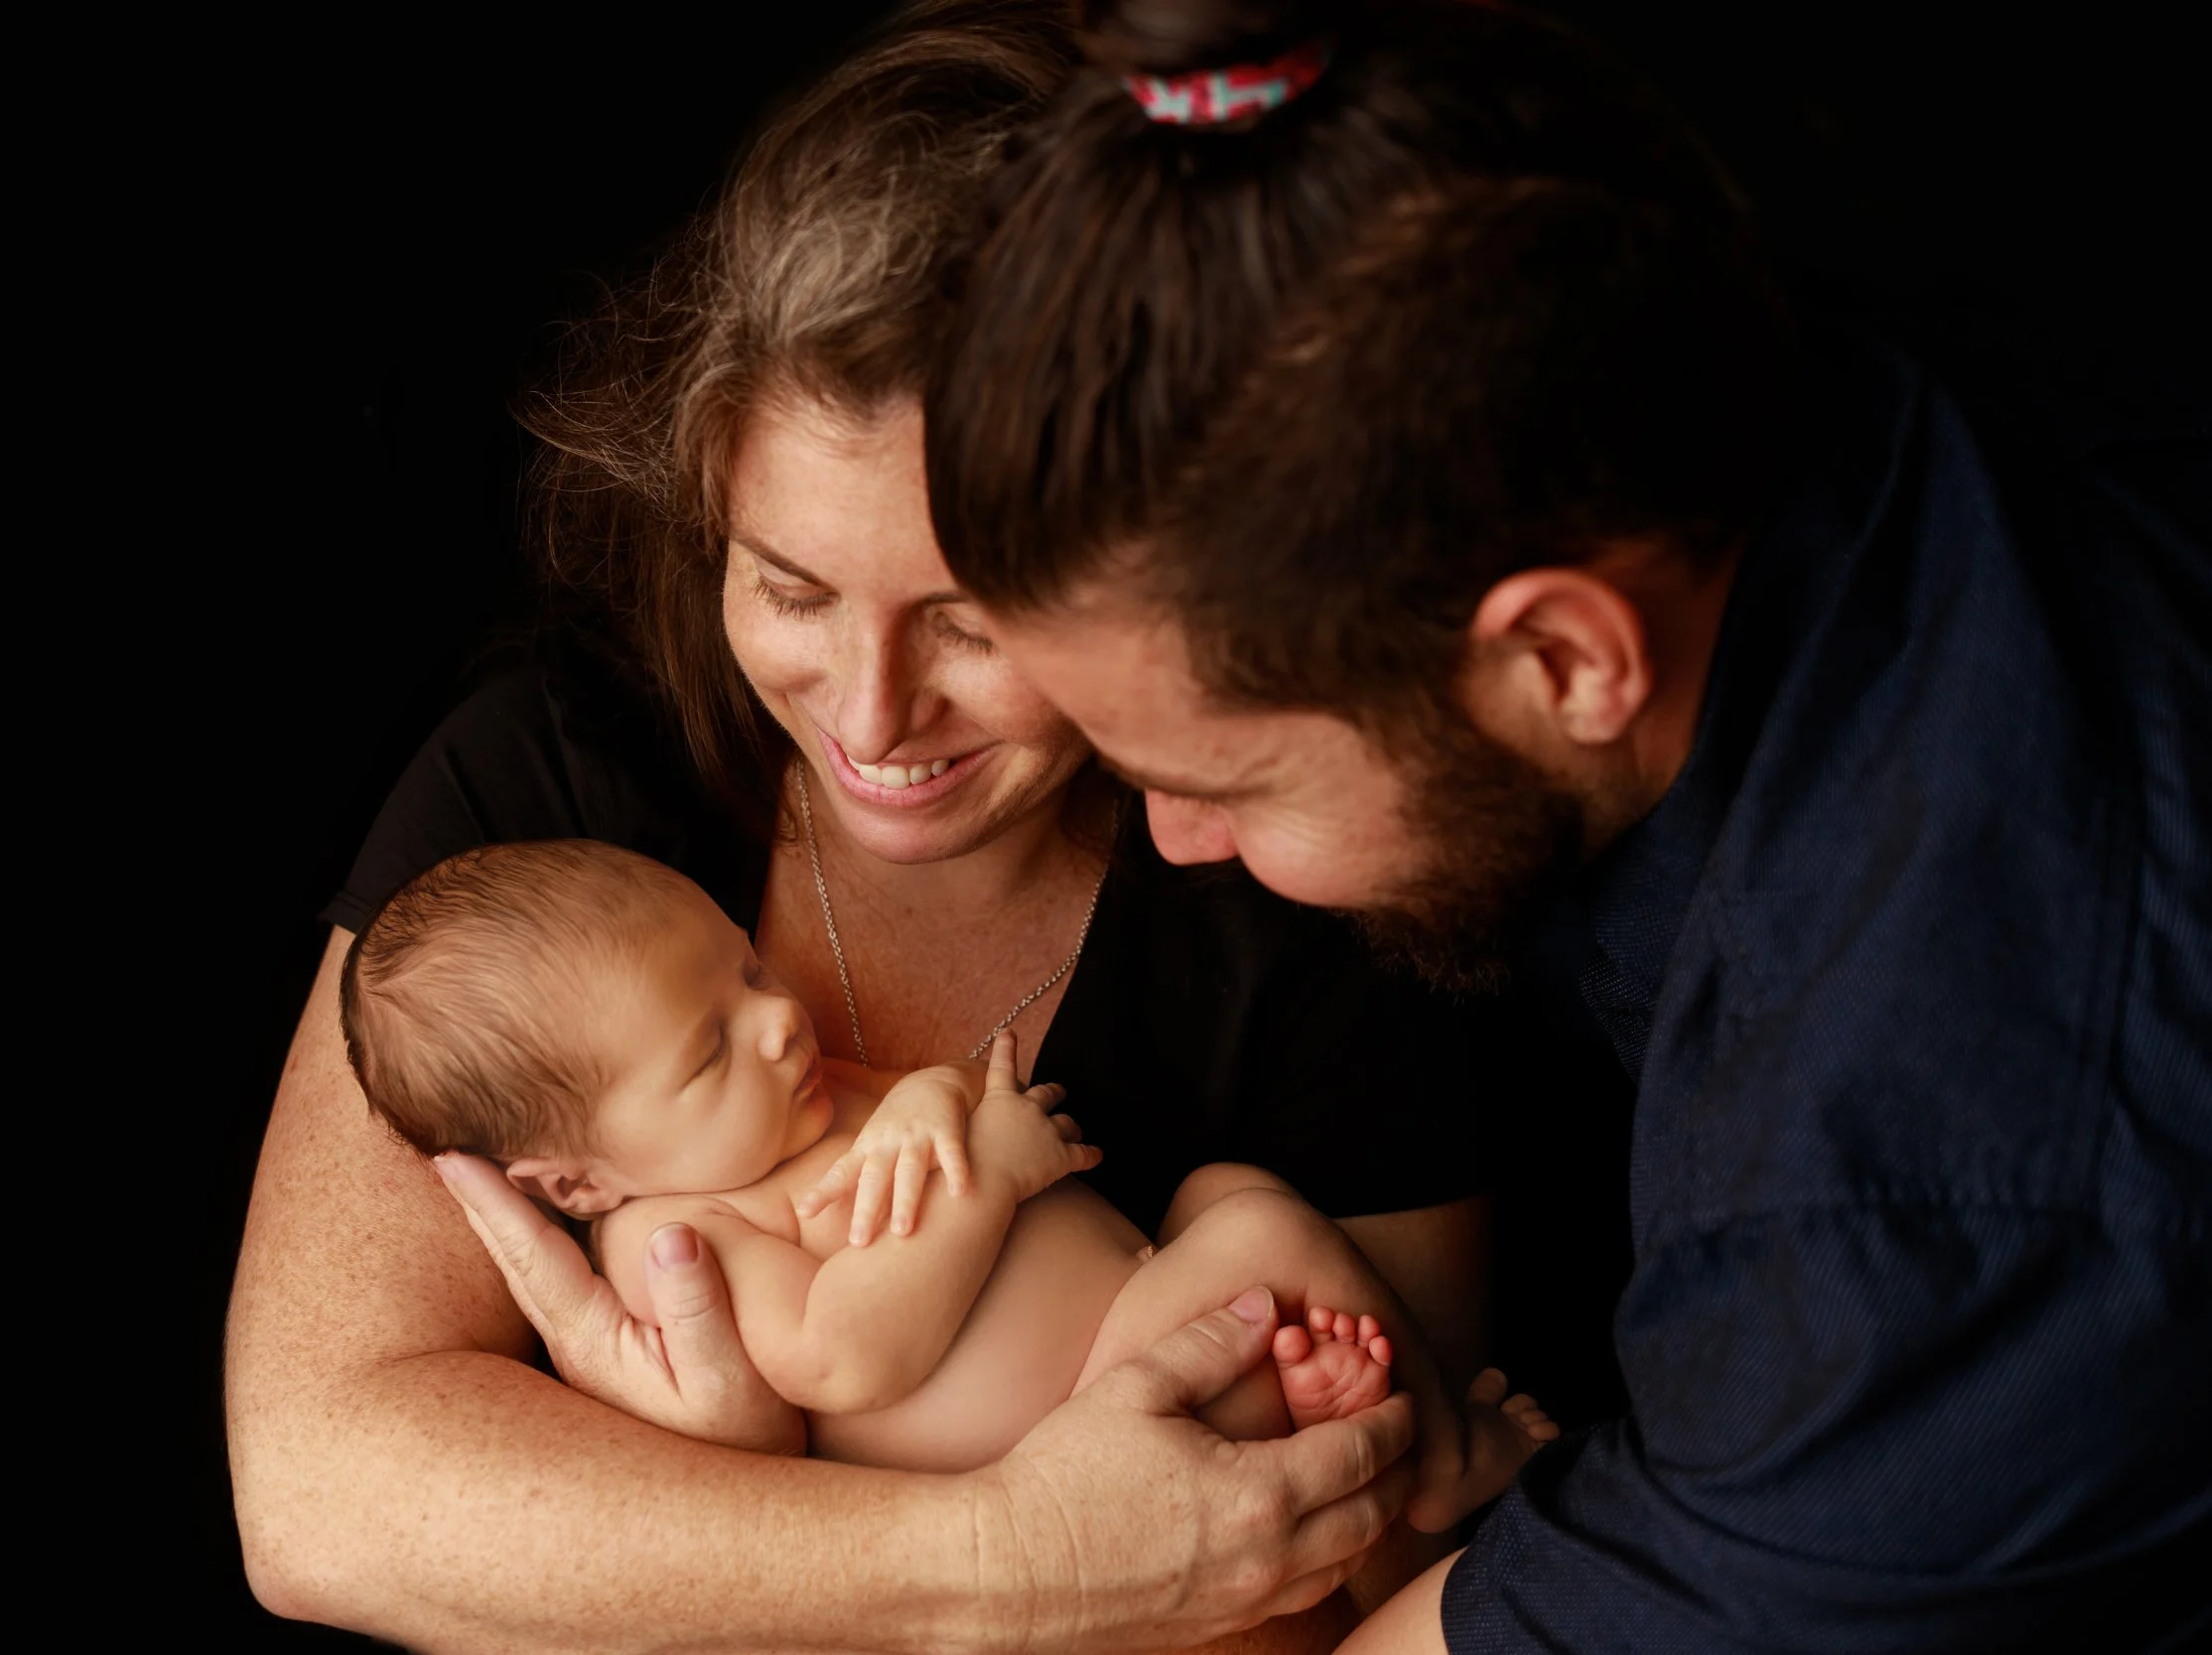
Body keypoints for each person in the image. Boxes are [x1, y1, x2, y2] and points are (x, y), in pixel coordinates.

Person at [227, 5, 1524, 1648]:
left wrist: (688, 1534)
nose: (871, 708)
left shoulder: (1310, 865)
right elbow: (327, 1488)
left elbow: (1355, 1569)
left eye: (972, 620)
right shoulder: (552, 804)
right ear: (709, 499)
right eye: (790, 587)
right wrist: (1014, 1556)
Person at [925, 0, 2212, 1650]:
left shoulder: (1900, 1211)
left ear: (1565, 659)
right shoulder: (1638, 307)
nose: (1172, 840)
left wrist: (1013, 1573)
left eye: (1230, 782)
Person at [338, 837, 1558, 1484]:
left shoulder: (796, 1099)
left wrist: (929, 1098)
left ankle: (1341, 1429)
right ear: (578, 1180)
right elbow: (847, 1352)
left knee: (1219, 1194)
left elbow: (948, 1089)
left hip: (1158, 1307)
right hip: (1082, 1426)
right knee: (1257, 1228)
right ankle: (1444, 1461)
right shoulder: (678, 1240)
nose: (777, 1020)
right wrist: (994, 1181)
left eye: (746, 967)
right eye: (709, 1047)